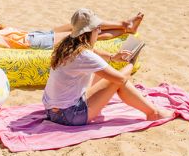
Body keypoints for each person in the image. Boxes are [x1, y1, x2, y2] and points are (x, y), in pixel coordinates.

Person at [42, 8, 173, 126]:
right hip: (68, 116)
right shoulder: (83, 55)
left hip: (51, 111)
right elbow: (121, 79)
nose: (99, 31)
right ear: (89, 32)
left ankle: (150, 111)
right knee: (116, 80)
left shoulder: (67, 44)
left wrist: (112, 57)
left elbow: (93, 52)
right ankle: (153, 113)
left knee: (102, 70)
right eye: (97, 28)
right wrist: (132, 61)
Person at [0, 7, 144, 50]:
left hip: (37, 35)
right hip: (36, 42)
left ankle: (125, 26)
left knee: (79, 22)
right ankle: (125, 27)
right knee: (85, 34)